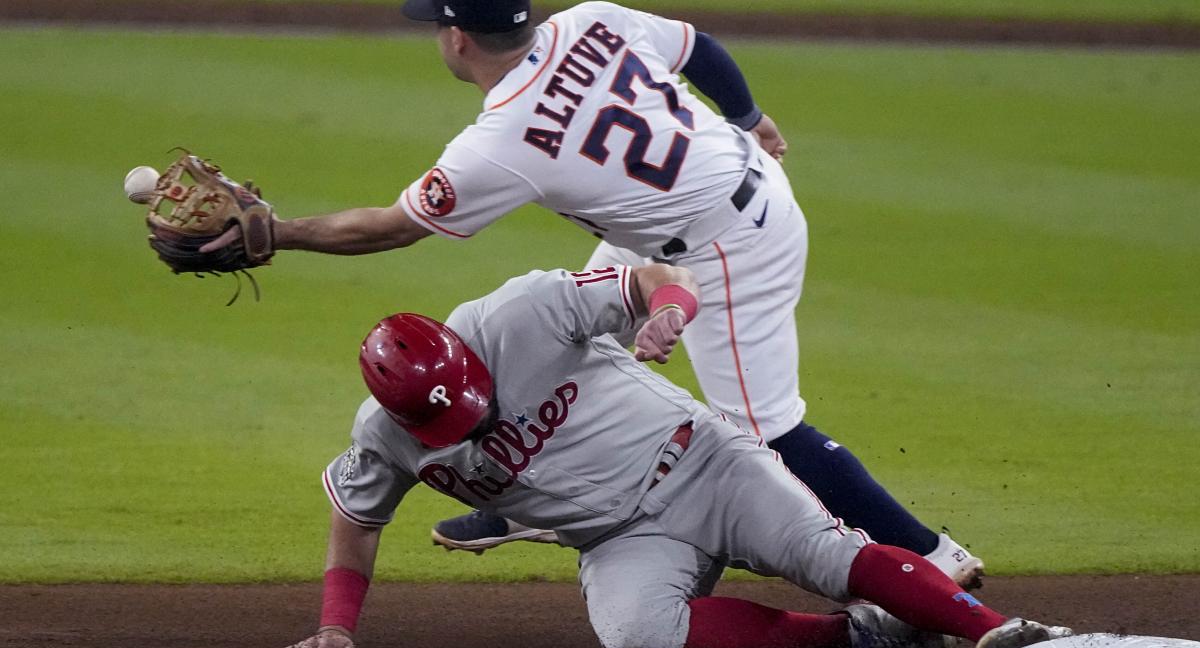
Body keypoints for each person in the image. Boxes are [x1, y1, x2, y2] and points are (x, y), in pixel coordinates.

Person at [204, 0, 982, 585]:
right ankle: (519, 506)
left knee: (766, 429)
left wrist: (279, 231)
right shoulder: (590, 21)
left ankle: (931, 554)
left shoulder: (497, 142)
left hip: (729, 247)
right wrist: (751, 117)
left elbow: (391, 227)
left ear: (457, 37)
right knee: (579, 330)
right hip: (733, 185)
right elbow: (700, 48)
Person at [272, 263, 1068, 648]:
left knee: (832, 555)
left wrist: (666, 316)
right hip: (622, 538)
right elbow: (356, 512)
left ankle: (1004, 636)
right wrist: (336, 625)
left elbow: (660, 276)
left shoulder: (519, 311)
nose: (470, 416)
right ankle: (861, 637)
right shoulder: (385, 434)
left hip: (704, 463)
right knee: (639, 636)